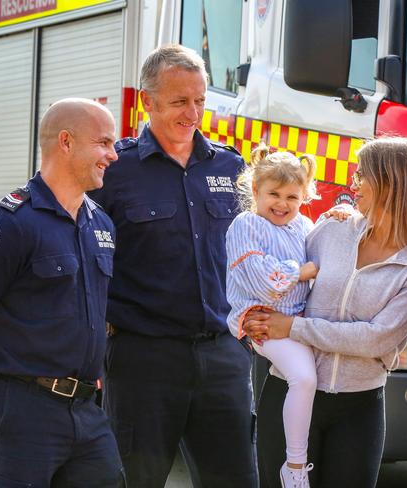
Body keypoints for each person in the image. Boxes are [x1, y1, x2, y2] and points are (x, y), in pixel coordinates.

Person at [88, 44, 257, 488]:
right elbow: (81, 254)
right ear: (148, 100)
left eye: (200, 100)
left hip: (223, 356)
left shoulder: (229, 164)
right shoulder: (115, 170)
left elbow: (267, 238)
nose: (193, 112)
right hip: (144, 360)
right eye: (180, 101)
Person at [0, 98, 123, 487]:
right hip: (18, 406)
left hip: (85, 409)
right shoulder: (9, 223)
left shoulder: (101, 224)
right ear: (66, 141)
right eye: (104, 143)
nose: (113, 154)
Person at [244, 137, 407, 488]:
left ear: (389, 182)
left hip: (358, 409)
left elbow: (376, 338)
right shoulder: (332, 229)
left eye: (362, 174)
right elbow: (279, 262)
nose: (353, 183)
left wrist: (293, 327)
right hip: (287, 391)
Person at [226, 144, 320, 487]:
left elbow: (326, 242)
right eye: (274, 194)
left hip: (296, 319)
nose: (282, 204)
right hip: (261, 320)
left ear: (304, 196)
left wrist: (339, 213)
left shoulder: (304, 226)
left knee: (307, 382)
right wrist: (301, 272)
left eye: (293, 197)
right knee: (304, 378)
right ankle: (294, 466)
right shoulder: (246, 224)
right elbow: (263, 282)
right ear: (255, 191)